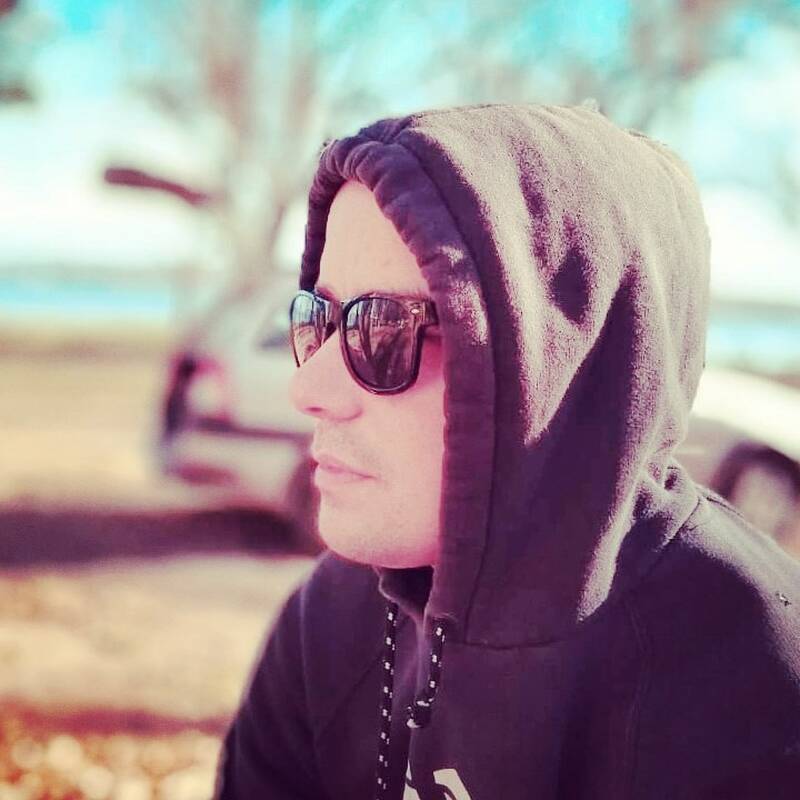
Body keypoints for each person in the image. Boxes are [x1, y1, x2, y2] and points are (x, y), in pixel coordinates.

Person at [213, 103, 800, 800]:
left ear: (556, 361)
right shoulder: (329, 626)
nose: (307, 388)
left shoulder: (756, 675)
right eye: (317, 318)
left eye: (385, 330)